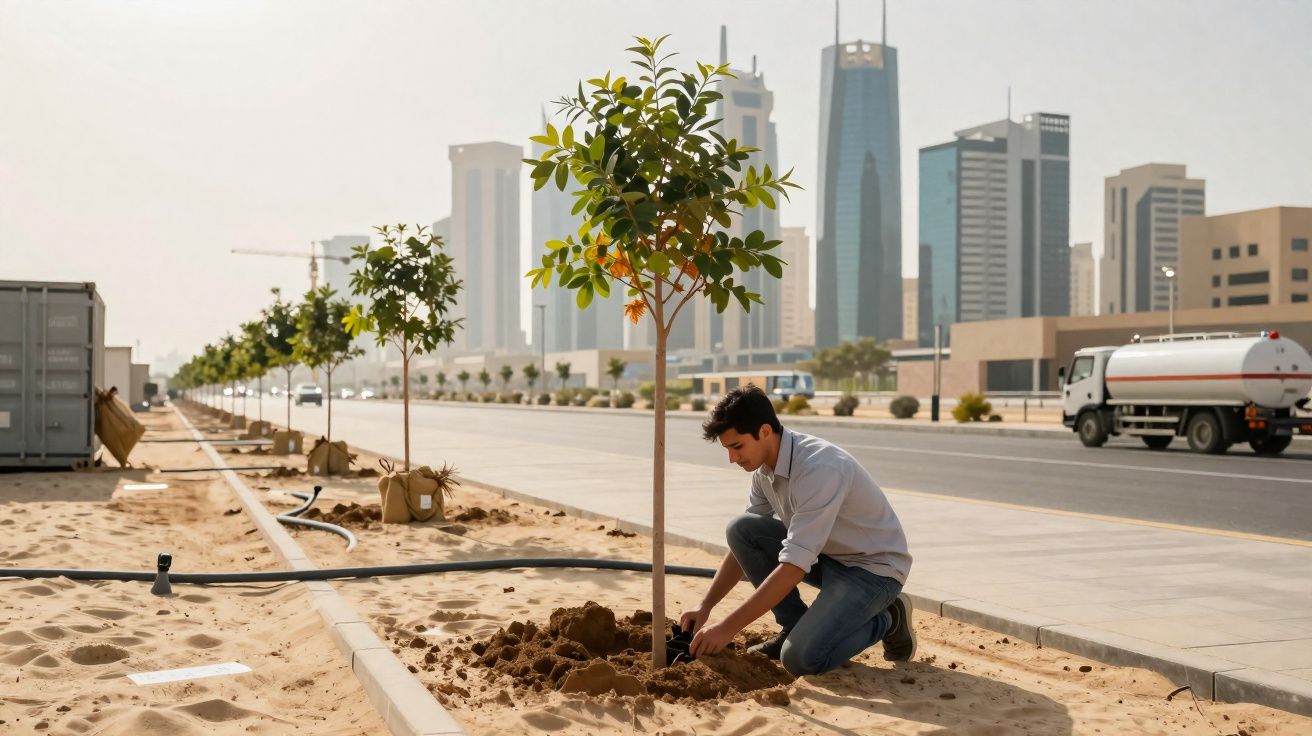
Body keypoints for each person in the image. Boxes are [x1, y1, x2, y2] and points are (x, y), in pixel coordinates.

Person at [680, 385, 915, 676]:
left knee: (801, 660)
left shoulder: (820, 469)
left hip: (873, 571)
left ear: (764, 431)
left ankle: (889, 617)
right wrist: (706, 606)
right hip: (828, 558)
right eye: (727, 449)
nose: (732, 458)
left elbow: (793, 568)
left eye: (737, 446)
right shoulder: (764, 470)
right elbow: (744, 547)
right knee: (742, 529)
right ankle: (792, 625)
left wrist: (727, 628)